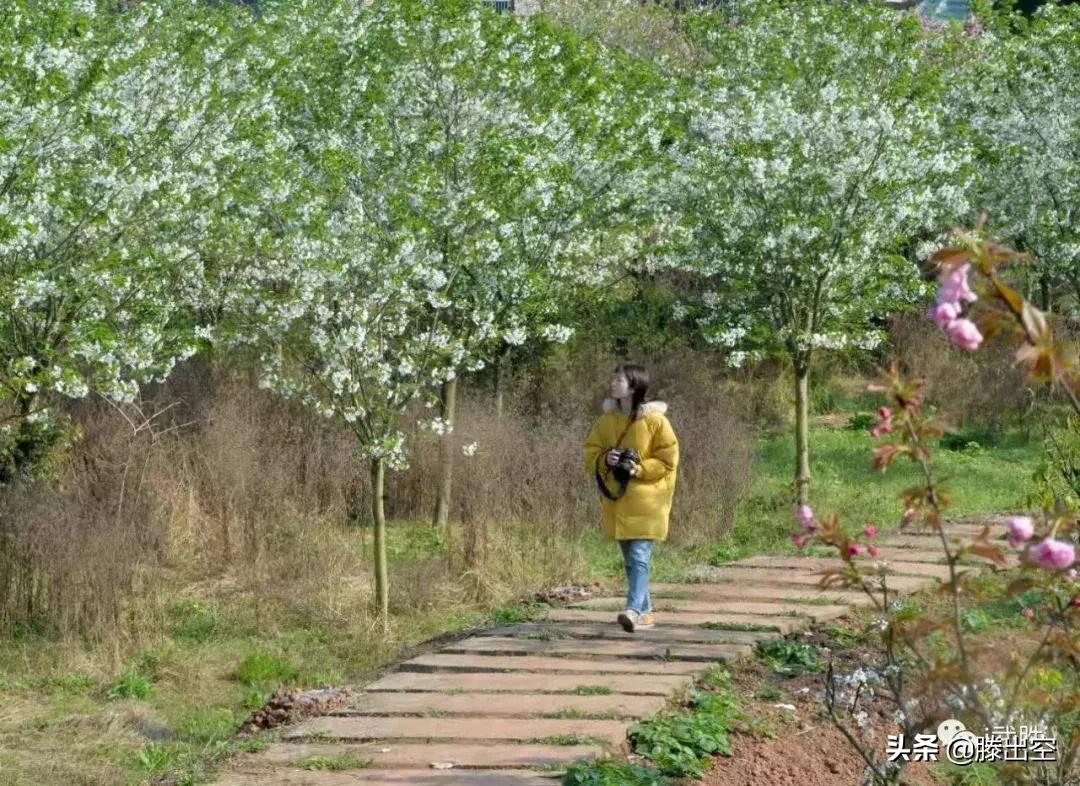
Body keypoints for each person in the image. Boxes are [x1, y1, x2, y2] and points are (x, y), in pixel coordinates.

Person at [583, 364, 679, 633]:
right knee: (631, 560)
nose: (613, 384)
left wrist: (638, 468)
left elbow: (668, 459)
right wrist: (606, 459)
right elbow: (590, 452)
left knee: (638, 557)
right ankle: (645, 614)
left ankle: (633, 610)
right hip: (618, 500)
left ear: (634, 386)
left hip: (648, 500)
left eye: (619, 380)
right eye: (613, 379)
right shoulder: (606, 421)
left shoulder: (655, 421)